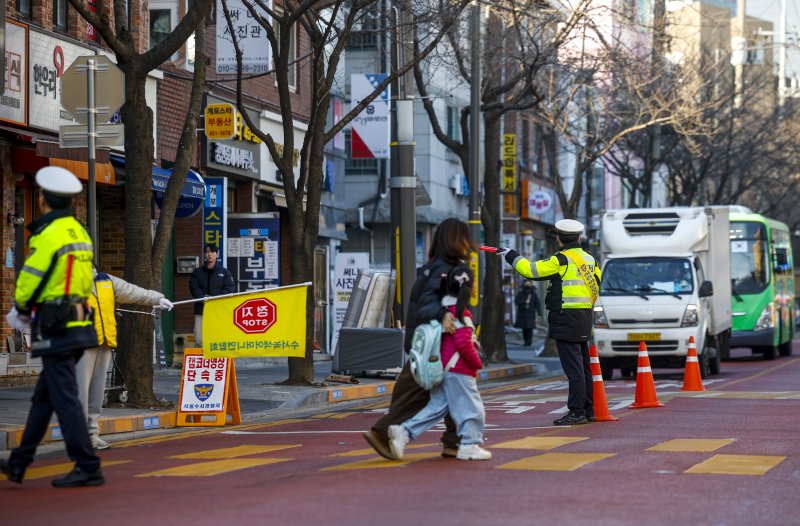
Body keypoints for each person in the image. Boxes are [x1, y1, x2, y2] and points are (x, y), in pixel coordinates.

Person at [1, 166, 104, 487]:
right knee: (45, 398)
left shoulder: (49, 235)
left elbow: (30, 279)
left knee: (65, 398)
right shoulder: (79, 231)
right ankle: (19, 462)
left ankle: (87, 464)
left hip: (56, 325)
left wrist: (18, 309)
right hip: (78, 322)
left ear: (44, 200)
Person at [363, 218, 477, 459]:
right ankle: (384, 433)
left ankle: (454, 441)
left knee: (446, 392)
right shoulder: (447, 270)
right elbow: (430, 303)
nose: (469, 243)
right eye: (465, 238)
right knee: (423, 394)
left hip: (422, 342)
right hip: (434, 346)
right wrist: (444, 314)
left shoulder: (431, 267)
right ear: (458, 240)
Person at [498, 219, 601, 426]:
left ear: (559, 238)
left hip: (566, 317)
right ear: (578, 238)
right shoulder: (589, 259)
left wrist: (511, 255)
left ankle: (577, 411)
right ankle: (589, 410)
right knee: (583, 366)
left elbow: (531, 271)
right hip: (584, 316)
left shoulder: (562, 259)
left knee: (574, 369)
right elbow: (597, 284)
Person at [387, 266, 491, 461]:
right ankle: (469, 444)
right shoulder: (461, 314)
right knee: (474, 409)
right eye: (474, 281)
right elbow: (463, 344)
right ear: (468, 287)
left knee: (437, 408)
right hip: (459, 369)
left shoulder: (444, 310)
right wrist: (476, 364)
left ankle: (404, 433)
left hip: (444, 367)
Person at [79, 270, 175, 450]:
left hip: (104, 341)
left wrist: (157, 299)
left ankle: (91, 433)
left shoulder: (105, 280)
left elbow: (133, 292)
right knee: (79, 392)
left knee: (96, 392)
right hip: (79, 344)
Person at [189, 243, 235, 347]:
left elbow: (230, 288)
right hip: (201, 308)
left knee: (218, 335)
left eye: (212, 252)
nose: (209, 254)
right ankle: (202, 360)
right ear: (204, 254)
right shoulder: (197, 272)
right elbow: (194, 288)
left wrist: (214, 299)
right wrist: (203, 298)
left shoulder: (224, 272)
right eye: (207, 252)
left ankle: (217, 360)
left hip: (218, 309)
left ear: (217, 254)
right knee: (199, 338)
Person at [514, 280, 541, 346]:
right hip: (522, 313)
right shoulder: (520, 293)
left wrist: (539, 313)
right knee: (524, 328)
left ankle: (529, 341)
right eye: (526, 284)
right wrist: (524, 302)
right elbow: (516, 301)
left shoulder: (534, 294)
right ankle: (526, 341)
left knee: (530, 328)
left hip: (531, 314)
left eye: (529, 284)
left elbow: (537, 304)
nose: (528, 285)